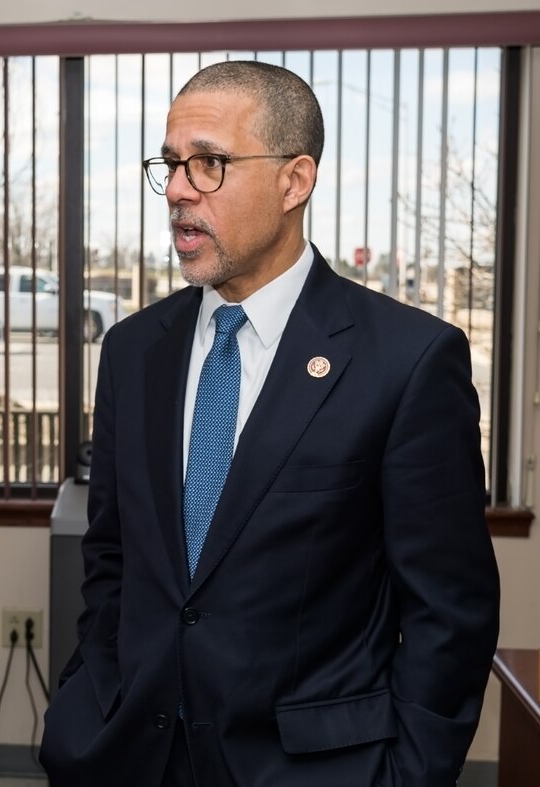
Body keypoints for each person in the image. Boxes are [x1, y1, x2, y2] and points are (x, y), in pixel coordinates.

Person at [39, 60, 500, 787]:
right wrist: (83, 701)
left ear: (295, 181)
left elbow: (451, 612)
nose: (180, 189)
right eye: (171, 164)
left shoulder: (407, 361)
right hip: (128, 754)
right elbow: (113, 562)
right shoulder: (132, 351)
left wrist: (408, 773)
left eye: (210, 163)